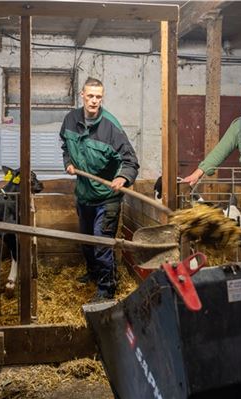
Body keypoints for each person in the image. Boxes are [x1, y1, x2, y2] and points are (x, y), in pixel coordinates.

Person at [60, 77, 139, 301]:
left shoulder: (111, 127)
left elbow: (131, 161)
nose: (94, 101)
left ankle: (107, 289)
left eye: (98, 97)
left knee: (102, 242)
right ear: (82, 95)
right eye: (90, 96)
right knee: (87, 241)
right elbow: (65, 144)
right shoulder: (70, 120)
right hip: (84, 195)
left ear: (102, 98)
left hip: (108, 196)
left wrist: (123, 177)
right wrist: (68, 162)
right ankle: (94, 274)